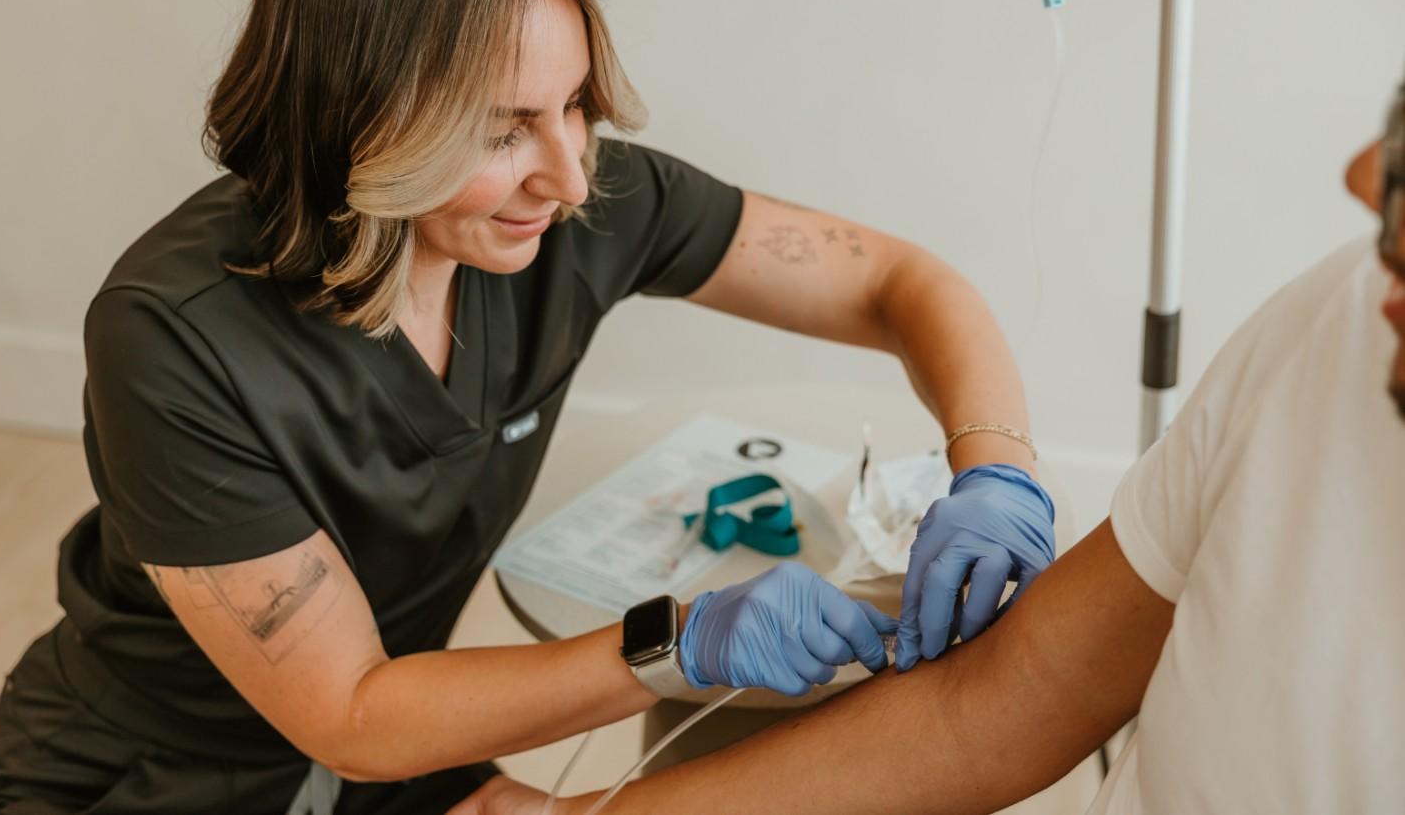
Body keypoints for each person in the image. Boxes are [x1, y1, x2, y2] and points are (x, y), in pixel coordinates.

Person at [0, 0, 1056, 813]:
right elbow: (353, 712)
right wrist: (678, 642)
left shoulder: (574, 214)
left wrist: (998, 466)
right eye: (501, 129)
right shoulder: (174, 337)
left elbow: (896, 283)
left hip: (398, 760)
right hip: (147, 774)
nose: (570, 175)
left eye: (574, 104)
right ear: (360, 120)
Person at [450, 75, 1405, 815]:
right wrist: (996, 469)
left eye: (576, 106)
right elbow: (1001, 701)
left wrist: (664, 654)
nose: (1363, 176)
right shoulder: (1346, 311)